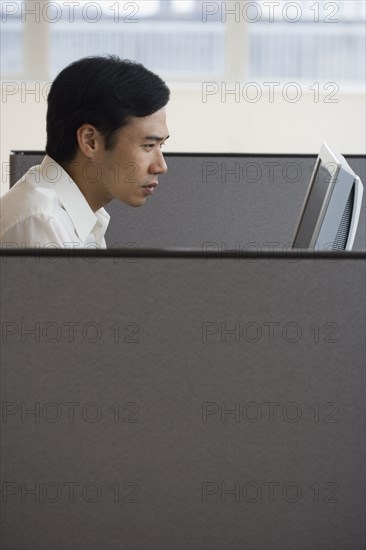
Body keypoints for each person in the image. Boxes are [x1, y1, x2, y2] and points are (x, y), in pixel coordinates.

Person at [0, 55, 170, 249]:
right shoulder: (41, 223)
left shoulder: (84, 217)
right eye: (148, 145)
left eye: (161, 145)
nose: (161, 166)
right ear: (90, 141)